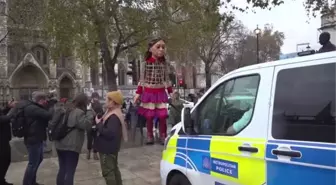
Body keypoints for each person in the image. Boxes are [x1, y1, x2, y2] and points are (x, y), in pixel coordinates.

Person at [134, 38, 173, 145]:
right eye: (158, 47)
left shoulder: (164, 64)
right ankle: (150, 135)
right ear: (151, 49)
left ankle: (163, 135)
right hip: (149, 92)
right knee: (149, 116)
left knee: (162, 116)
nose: (161, 49)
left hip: (160, 92)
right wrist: (138, 93)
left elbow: (167, 79)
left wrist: (170, 91)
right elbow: (142, 80)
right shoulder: (145, 64)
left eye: (163, 47)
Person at [54, 93, 93, 185]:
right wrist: (89, 110)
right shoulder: (78, 112)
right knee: (70, 171)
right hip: (71, 146)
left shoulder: (66, 109)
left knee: (62, 169)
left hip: (60, 144)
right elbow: (86, 125)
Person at [94, 90, 128, 185]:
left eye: (106, 100)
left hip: (107, 149)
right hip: (110, 148)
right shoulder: (113, 112)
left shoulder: (113, 116)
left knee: (108, 172)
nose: (105, 101)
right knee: (113, 170)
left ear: (112, 102)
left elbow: (109, 133)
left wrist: (99, 124)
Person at [21, 91, 53, 185]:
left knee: (38, 160)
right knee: (32, 164)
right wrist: (51, 104)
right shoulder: (33, 108)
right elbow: (48, 115)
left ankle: (32, 181)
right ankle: (27, 183)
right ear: (41, 100)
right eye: (44, 100)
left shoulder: (34, 107)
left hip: (36, 138)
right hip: (33, 139)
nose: (45, 102)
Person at [0, 101, 16, 185]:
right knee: (4, 160)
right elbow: (5, 118)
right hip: (1, 142)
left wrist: (8, 107)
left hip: (4, 139)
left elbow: (2, 114)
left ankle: (1, 180)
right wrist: (13, 109)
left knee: (6, 160)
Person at [86, 92, 103, 160]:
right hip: (90, 124)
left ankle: (95, 153)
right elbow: (86, 113)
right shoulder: (89, 104)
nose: (96, 99)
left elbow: (100, 114)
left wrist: (97, 115)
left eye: (97, 97)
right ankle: (88, 153)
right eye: (95, 97)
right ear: (93, 97)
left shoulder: (98, 104)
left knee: (96, 139)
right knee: (89, 139)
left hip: (96, 123)